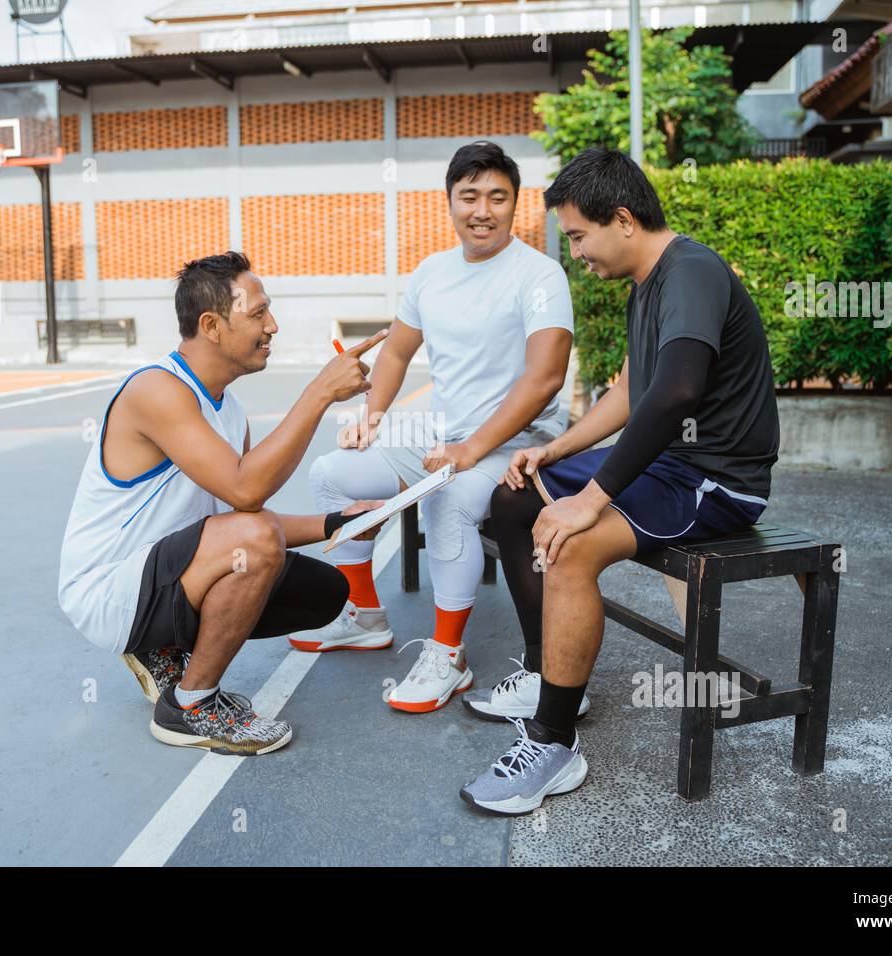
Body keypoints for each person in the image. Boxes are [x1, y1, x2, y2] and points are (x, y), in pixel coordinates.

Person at [461, 147, 780, 814]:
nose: (575, 253)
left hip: (716, 482)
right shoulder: (648, 285)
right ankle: (551, 673)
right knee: (515, 496)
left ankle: (553, 743)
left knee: (570, 539)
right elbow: (633, 392)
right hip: (673, 465)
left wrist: (589, 500)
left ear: (625, 219)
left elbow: (675, 395)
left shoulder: (691, 272)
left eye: (579, 235)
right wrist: (556, 453)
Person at [57, 251, 390, 756]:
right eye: (258, 314)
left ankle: (162, 645)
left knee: (323, 591)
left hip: (169, 571)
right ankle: (190, 705)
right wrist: (319, 393)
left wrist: (335, 523)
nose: (272, 326)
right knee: (256, 543)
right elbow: (247, 494)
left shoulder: (229, 412)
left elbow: (239, 519)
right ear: (211, 325)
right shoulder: (157, 390)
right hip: (108, 590)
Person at [293, 141, 575, 714]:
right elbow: (395, 355)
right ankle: (365, 615)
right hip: (441, 433)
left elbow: (544, 379)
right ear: (448, 202)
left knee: (449, 502)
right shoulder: (432, 273)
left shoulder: (540, 274)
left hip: (518, 441)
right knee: (332, 475)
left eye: (498, 197)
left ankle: (449, 656)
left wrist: (470, 450)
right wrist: (369, 420)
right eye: (469, 196)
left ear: (516, 205)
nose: (482, 210)